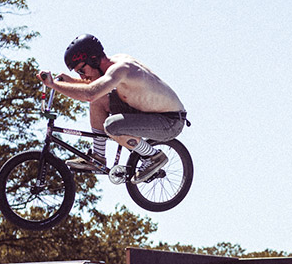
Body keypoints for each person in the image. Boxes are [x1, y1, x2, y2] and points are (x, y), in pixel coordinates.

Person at [37, 34, 188, 182]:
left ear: (93, 59)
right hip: (146, 112)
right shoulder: (111, 66)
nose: (82, 77)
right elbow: (96, 86)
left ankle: (153, 156)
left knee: (112, 126)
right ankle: (98, 158)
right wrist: (70, 81)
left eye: (81, 71)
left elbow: (90, 93)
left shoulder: (121, 69)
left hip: (169, 122)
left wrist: (54, 85)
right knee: (99, 99)